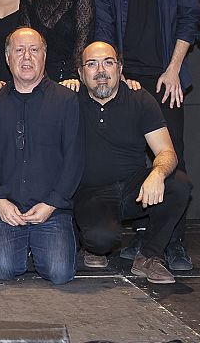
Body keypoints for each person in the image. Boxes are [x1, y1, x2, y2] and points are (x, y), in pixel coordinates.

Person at [93, 0, 200, 270]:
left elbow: (191, 18)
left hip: (166, 75)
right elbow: (104, 32)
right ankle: (145, 232)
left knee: (172, 159)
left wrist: (173, 69)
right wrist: (119, 78)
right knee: (128, 161)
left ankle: (172, 242)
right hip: (126, 80)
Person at [74, 41, 191, 284]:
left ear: (120, 68)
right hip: (91, 193)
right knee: (101, 239)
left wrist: (157, 175)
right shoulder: (68, 100)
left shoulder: (140, 99)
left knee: (178, 183)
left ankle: (149, 256)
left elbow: (167, 152)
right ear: (80, 73)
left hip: (133, 190)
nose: (101, 70)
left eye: (108, 62)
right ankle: (92, 247)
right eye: (92, 64)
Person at [0, 27, 82, 285]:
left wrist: (52, 203)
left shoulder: (66, 100)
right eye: (19, 50)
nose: (26, 57)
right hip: (7, 210)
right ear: (7, 57)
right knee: (3, 269)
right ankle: (27, 244)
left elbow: (74, 160)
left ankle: (42, 242)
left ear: (45, 56)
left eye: (34, 50)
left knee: (59, 273)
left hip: (51, 209)